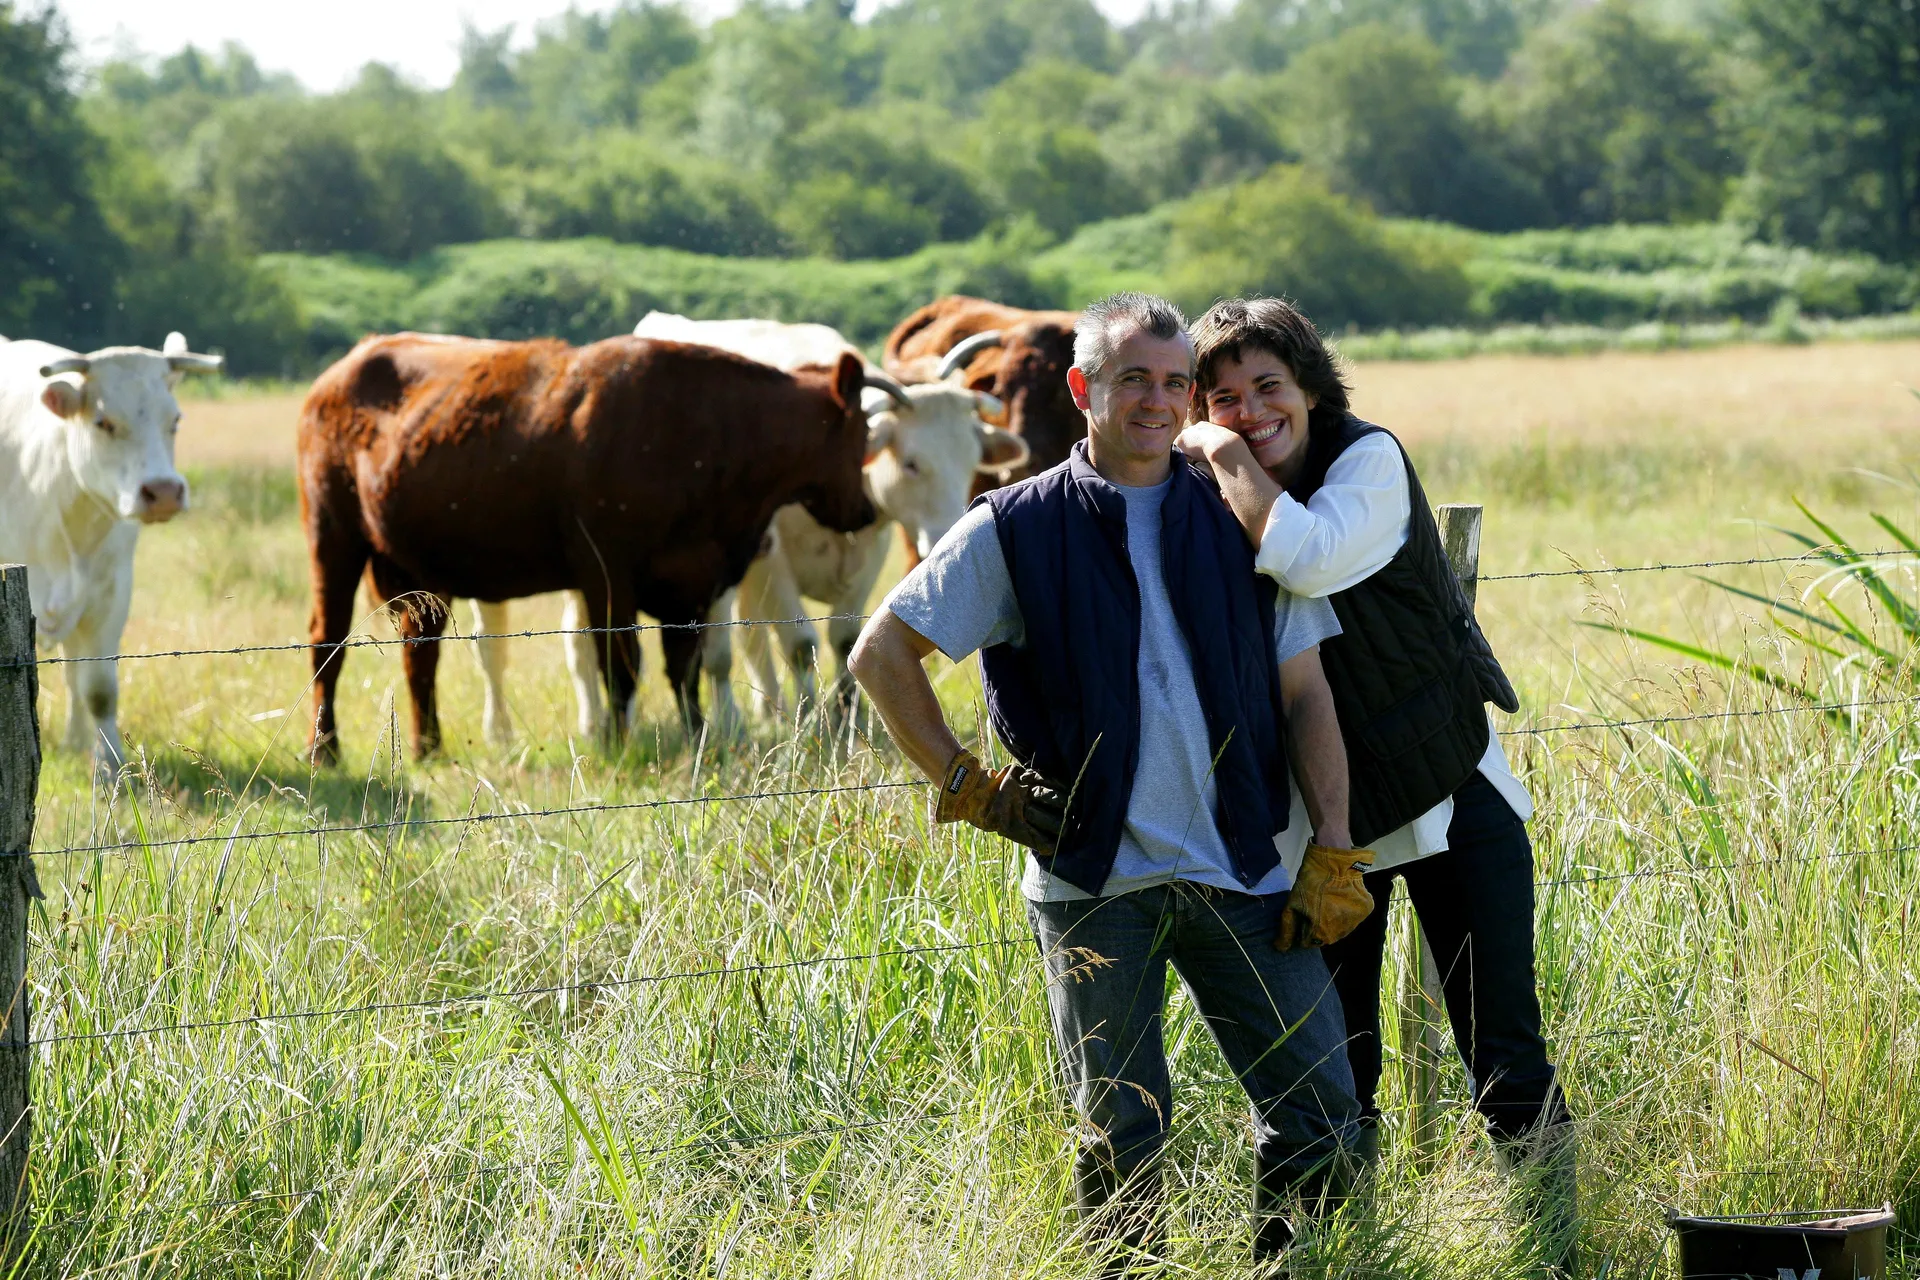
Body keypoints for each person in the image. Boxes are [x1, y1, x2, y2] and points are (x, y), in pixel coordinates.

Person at [848, 292, 1373, 1269]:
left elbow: (1306, 691)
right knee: (1119, 1138)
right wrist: (969, 781)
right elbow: (883, 654)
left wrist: (1332, 847)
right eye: (1135, 377)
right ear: (1083, 387)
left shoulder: (1239, 508)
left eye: (1178, 381)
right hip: (1093, 885)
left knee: (1323, 1111)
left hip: (1248, 869)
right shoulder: (1015, 527)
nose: (1160, 400)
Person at [1175, 297, 1576, 1270]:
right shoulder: (1196, 508)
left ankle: (1557, 1248)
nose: (1251, 410)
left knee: (1503, 1056)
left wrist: (1220, 454)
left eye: (1269, 385)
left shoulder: (1369, 461)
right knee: (1329, 1071)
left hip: (1450, 797)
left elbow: (1309, 556)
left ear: (1311, 384)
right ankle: (1314, 1259)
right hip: (1319, 828)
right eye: (1223, 397)